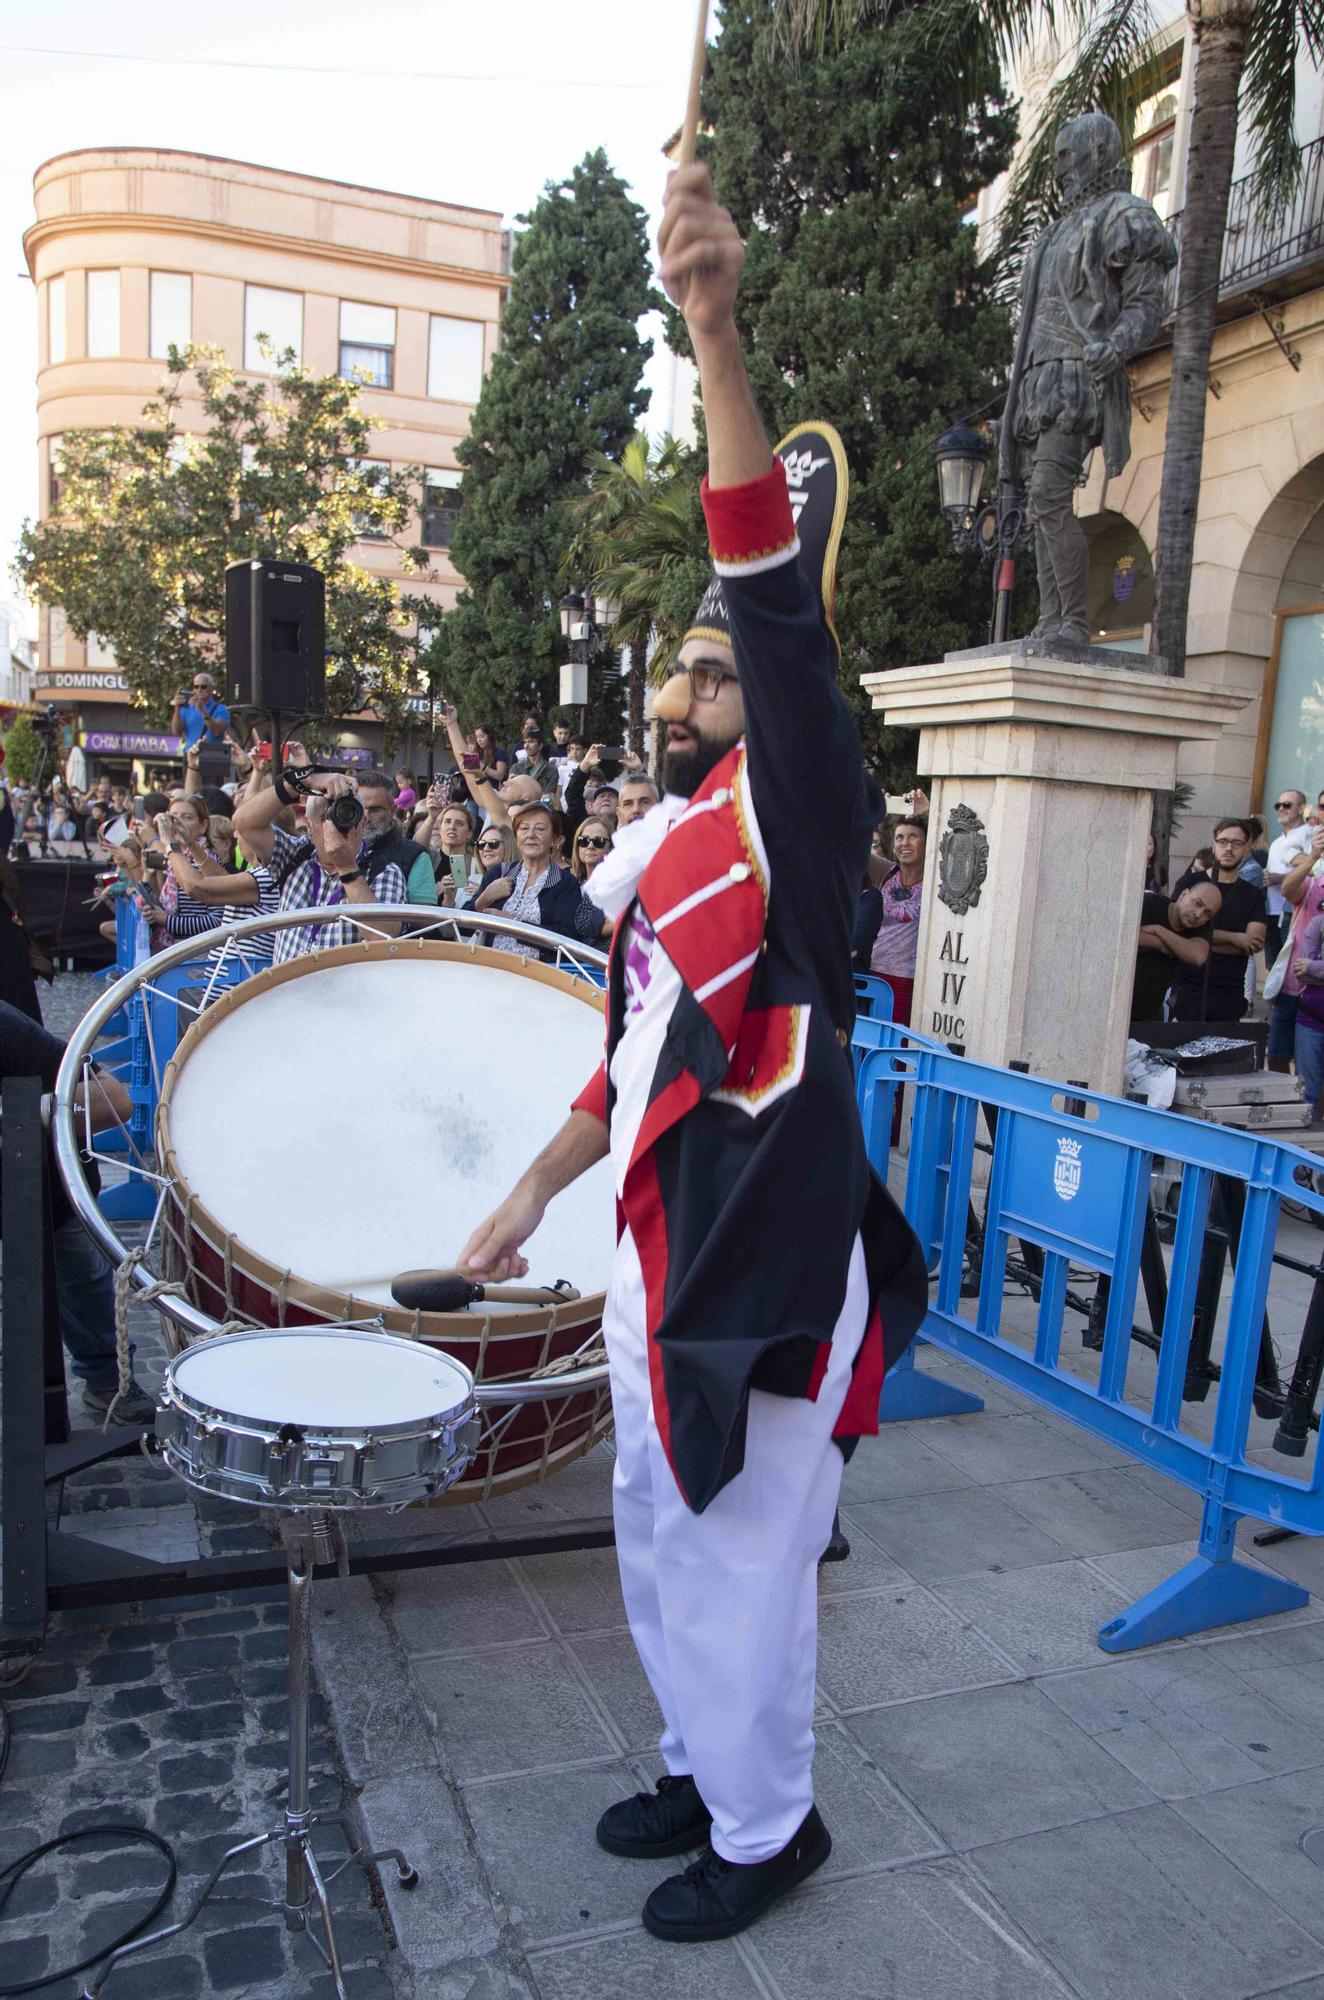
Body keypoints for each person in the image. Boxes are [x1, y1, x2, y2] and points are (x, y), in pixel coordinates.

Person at [456, 164, 926, 1946]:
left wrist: (712, 329)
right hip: (664, 1252)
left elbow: (770, 593)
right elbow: (631, 1066)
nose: (680, 695)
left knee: (739, 1567)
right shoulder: (670, 855)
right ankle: (694, 1764)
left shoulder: (804, 814)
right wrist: (520, 1205)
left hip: (773, 1271)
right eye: (673, 671)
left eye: (713, 678)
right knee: (656, 1538)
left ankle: (767, 1822)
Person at [0, 999, 155, 1423]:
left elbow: (114, 1101)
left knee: (84, 1281)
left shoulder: (8, 1029)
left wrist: (31, 1113)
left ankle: (109, 1382)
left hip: (43, 1190)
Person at [232, 754, 405, 963]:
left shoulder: (384, 871)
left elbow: (384, 939)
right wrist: (302, 781)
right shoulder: (295, 856)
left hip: (343, 995)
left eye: (345, 816)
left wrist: (347, 868)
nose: (334, 826)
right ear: (309, 824)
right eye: (324, 818)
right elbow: (244, 822)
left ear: (363, 823)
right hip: (288, 992)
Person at [1168, 820, 1267, 1021]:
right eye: (1223, 841)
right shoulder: (1190, 883)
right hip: (1186, 986)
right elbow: (1176, 929)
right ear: (1213, 844)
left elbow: (1252, 943)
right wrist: (1235, 939)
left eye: (1237, 843)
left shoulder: (1253, 895)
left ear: (1247, 848)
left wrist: (1195, 942)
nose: (1229, 848)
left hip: (1229, 992)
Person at [473, 800, 583, 959]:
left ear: (555, 840)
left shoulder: (564, 883)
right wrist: (484, 898)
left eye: (540, 829)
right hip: (491, 971)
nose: (531, 835)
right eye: (524, 828)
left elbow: (568, 937)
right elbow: (462, 925)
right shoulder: (499, 873)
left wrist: (512, 924)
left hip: (537, 977)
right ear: (517, 838)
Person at [1269, 826, 1324, 1079]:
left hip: (1319, 989)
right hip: (1293, 986)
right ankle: (1284, 1105)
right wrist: (1313, 856)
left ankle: (1314, 1115)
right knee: (1279, 1052)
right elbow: (1287, 890)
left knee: (1318, 1066)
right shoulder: (1314, 884)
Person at [1130, 880, 1221, 1022]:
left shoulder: (1200, 926)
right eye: (1197, 903)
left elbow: (1197, 956)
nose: (1198, 914)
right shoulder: (1150, 903)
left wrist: (1158, 930)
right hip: (1118, 1001)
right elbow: (1124, 936)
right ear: (1183, 894)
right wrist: (1164, 945)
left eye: (1207, 914)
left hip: (1147, 1015)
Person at [867, 816, 926, 1023]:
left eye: (913, 836)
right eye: (899, 837)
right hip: (872, 975)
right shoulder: (885, 871)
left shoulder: (935, 878)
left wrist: (928, 812)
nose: (905, 843)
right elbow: (852, 849)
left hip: (908, 982)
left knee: (896, 1046)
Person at [1266, 789, 1312, 972]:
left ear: (1301, 809)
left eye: (1287, 805)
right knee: (1273, 968)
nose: (1281, 809)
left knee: (1290, 967)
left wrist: (1280, 878)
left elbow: (1315, 870)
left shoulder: (1310, 834)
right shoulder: (1277, 842)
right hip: (1271, 910)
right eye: (1278, 805)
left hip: (1293, 912)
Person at [1292, 907, 1324, 1116]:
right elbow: (1300, 972)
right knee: (1306, 1094)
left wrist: (1314, 967)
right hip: (1311, 1019)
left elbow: (1308, 968)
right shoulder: (1317, 924)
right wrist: (1313, 969)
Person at [570, 815, 616, 943]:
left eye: (599, 841)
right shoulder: (567, 881)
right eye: (583, 841)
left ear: (610, 847)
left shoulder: (616, 883)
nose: (590, 846)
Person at [170, 670, 230, 753]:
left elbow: (216, 731)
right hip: (191, 754)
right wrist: (177, 708)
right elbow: (177, 731)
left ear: (211, 688)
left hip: (213, 755)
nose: (199, 690)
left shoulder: (221, 709)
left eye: (203, 687)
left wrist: (201, 709)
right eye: (196, 687)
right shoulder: (187, 708)